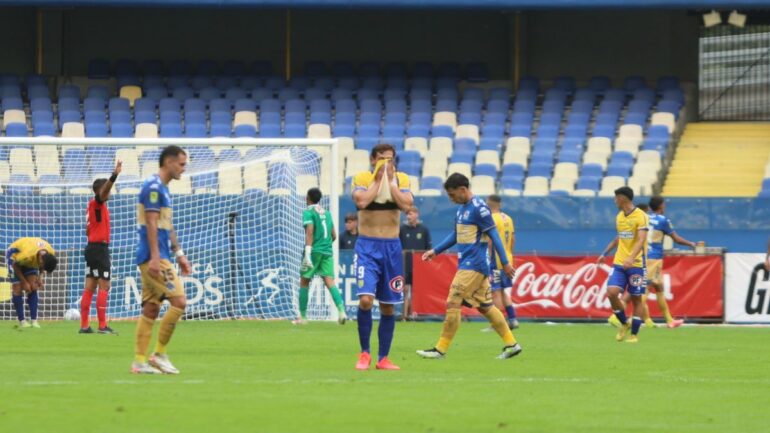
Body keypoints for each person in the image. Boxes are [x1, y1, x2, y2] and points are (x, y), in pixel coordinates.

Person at [416, 173, 522, 360]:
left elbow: (495, 236)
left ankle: (440, 349)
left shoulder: (479, 209)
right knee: (485, 306)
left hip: (474, 264)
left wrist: (505, 263)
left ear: (463, 190)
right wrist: (436, 250)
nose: (450, 198)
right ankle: (511, 344)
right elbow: (456, 234)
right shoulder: (462, 209)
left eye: (452, 194)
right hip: (469, 263)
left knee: (453, 302)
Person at [351, 143, 413, 371]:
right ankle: (364, 353)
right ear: (372, 160)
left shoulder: (402, 179)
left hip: (392, 248)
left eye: (391, 159)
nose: (387, 163)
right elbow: (362, 201)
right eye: (382, 159)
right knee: (366, 300)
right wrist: (378, 181)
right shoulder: (362, 178)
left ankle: (383, 358)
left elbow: (407, 205)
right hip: (367, 247)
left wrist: (391, 181)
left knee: (388, 307)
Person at [131, 145, 192, 374]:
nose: (183, 169)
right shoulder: (153, 187)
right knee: (179, 302)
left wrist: (180, 255)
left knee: (150, 309)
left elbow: (167, 226)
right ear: (168, 162)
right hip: (153, 257)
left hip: (159, 255)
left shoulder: (163, 189)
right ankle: (159, 354)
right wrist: (156, 258)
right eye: (181, 164)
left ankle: (139, 361)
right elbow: (151, 223)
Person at [597, 186, 649, 343]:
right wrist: (604, 253)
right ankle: (624, 323)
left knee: (636, 298)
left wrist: (631, 258)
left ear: (623, 198)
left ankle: (634, 335)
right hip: (619, 263)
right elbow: (619, 237)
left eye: (616, 198)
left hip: (637, 264)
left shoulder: (641, 216)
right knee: (611, 292)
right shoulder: (619, 217)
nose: (614, 201)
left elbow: (641, 239)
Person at [79, 160, 122, 335]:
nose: (109, 192)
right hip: (98, 249)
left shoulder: (94, 207)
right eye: (106, 189)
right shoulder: (97, 202)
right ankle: (102, 326)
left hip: (92, 248)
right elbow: (104, 191)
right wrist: (115, 175)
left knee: (90, 286)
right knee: (104, 286)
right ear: (100, 190)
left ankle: (84, 325)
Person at [296, 187, 347, 325]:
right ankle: (341, 311)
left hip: (314, 251)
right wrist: (326, 246)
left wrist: (308, 252)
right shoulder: (327, 213)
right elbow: (334, 235)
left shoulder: (308, 212)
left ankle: (303, 317)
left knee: (304, 281)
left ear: (308, 198)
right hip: (327, 251)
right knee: (330, 282)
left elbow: (310, 232)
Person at [5, 237, 58, 328]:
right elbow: (15, 265)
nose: (42, 267)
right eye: (42, 265)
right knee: (17, 288)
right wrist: (24, 282)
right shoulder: (27, 254)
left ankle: (34, 321)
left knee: (33, 287)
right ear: (41, 259)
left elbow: (43, 266)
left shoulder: (50, 253)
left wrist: (40, 277)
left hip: (31, 259)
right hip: (14, 257)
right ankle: (22, 321)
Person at [486, 194, 519, 330]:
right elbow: (513, 239)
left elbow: (489, 241)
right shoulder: (508, 218)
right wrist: (509, 255)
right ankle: (513, 319)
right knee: (503, 290)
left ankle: (498, 323)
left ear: (489, 204)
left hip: (496, 260)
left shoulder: (491, 219)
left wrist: (488, 257)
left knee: (496, 292)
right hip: (507, 259)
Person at [399, 206, 432, 320]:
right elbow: (398, 247)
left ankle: (414, 313)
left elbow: (428, 248)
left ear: (417, 214)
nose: (409, 216)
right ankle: (404, 315)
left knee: (416, 290)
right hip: (405, 264)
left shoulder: (424, 229)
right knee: (405, 289)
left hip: (420, 266)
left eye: (411, 214)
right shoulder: (402, 229)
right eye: (407, 214)